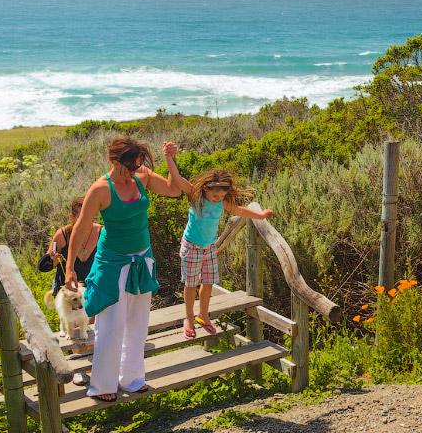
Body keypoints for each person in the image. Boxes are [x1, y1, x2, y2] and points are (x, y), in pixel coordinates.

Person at [64, 137, 182, 402]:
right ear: (114, 160)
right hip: (113, 263)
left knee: (138, 324)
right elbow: (81, 227)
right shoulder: (101, 189)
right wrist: (70, 268)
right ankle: (103, 385)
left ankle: (131, 380)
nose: (132, 171)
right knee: (110, 326)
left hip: (142, 260)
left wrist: (170, 158)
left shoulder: (141, 175)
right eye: (128, 166)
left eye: (137, 165)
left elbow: (175, 190)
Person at [171, 168, 273, 339]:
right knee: (190, 284)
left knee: (208, 282)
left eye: (221, 196)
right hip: (192, 247)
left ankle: (203, 314)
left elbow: (240, 210)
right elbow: (178, 179)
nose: (218, 199)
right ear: (205, 188)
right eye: (215, 196)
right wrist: (169, 157)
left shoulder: (222, 203)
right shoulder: (196, 198)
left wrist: (260, 215)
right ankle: (188, 318)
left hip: (210, 248)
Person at [45, 197, 102, 297]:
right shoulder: (63, 235)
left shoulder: (102, 233)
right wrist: (54, 261)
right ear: (72, 217)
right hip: (69, 296)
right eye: (82, 217)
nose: (87, 220)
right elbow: (43, 266)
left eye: (91, 216)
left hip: (95, 295)